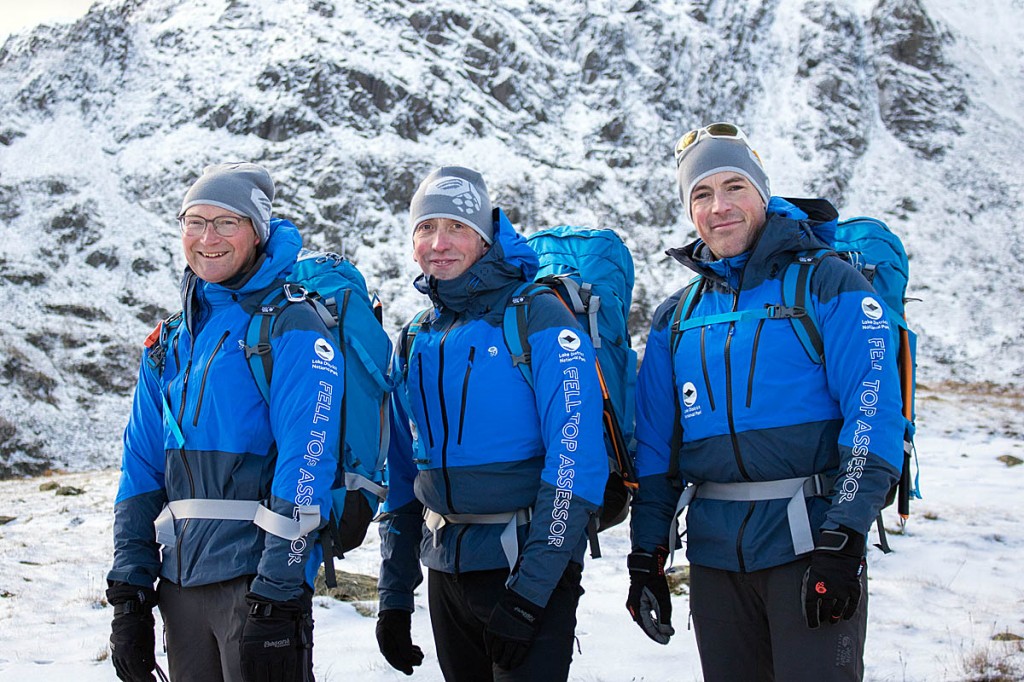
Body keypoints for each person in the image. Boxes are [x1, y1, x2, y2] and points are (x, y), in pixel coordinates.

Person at [625, 124, 904, 681]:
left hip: (810, 545)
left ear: (763, 193)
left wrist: (843, 536)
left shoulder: (829, 283)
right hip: (713, 559)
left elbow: (871, 416)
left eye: (734, 187)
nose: (719, 206)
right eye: (701, 194)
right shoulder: (676, 317)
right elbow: (656, 450)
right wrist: (645, 557)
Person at [106, 162, 342, 682]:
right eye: (195, 221)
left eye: (226, 222)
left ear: (257, 233)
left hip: (254, 583)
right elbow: (139, 470)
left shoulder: (290, 324)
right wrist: (129, 591)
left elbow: (307, 463)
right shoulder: (168, 342)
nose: (207, 238)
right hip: (179, 585)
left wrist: (278, 592)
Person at [373, 166, 608, 681]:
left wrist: (530, 593)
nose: (439, 242)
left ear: (485, 237)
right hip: (447, 573)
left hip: (526, 565)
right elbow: (401, 478)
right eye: (426, 228)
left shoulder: (537, 317)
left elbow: (577, 462)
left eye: (457, 227)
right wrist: (394, 596)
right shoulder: (415, 337)